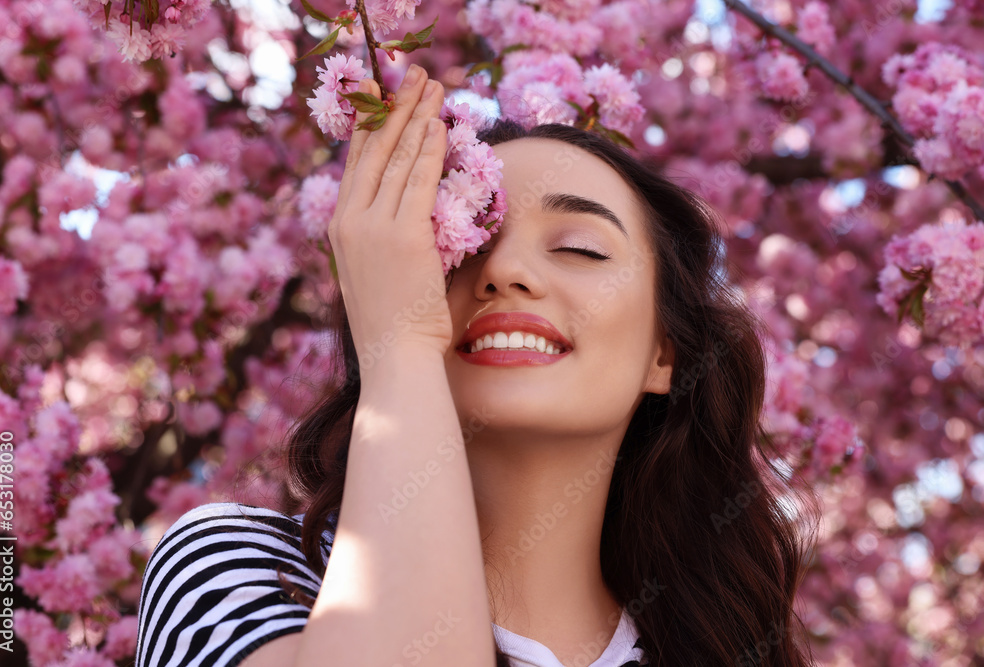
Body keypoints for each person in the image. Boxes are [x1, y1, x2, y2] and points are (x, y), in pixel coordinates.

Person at [135, 64, 817, 667]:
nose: (506, 271)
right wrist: (400, 345)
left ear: (664, 353)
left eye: (579, 248)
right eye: (461, 245)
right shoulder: (244, 570)